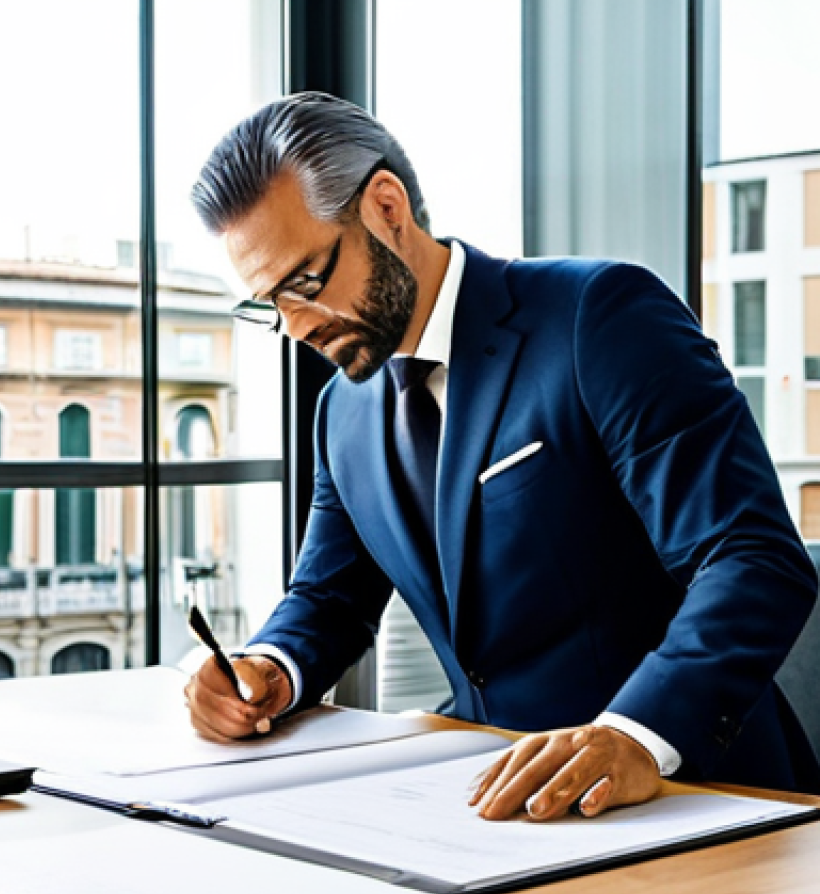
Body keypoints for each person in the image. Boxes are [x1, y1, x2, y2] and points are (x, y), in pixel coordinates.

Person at [184, 91, 820, 821]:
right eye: (267, 303)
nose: (295, 327)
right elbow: (329, 599)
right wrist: (268, 668)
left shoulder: (598, 314)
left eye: (303, 282)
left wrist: (634, 736)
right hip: (496, 808)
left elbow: (751, 556)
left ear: (386, 208)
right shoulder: (344, 409)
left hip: (694, 794)